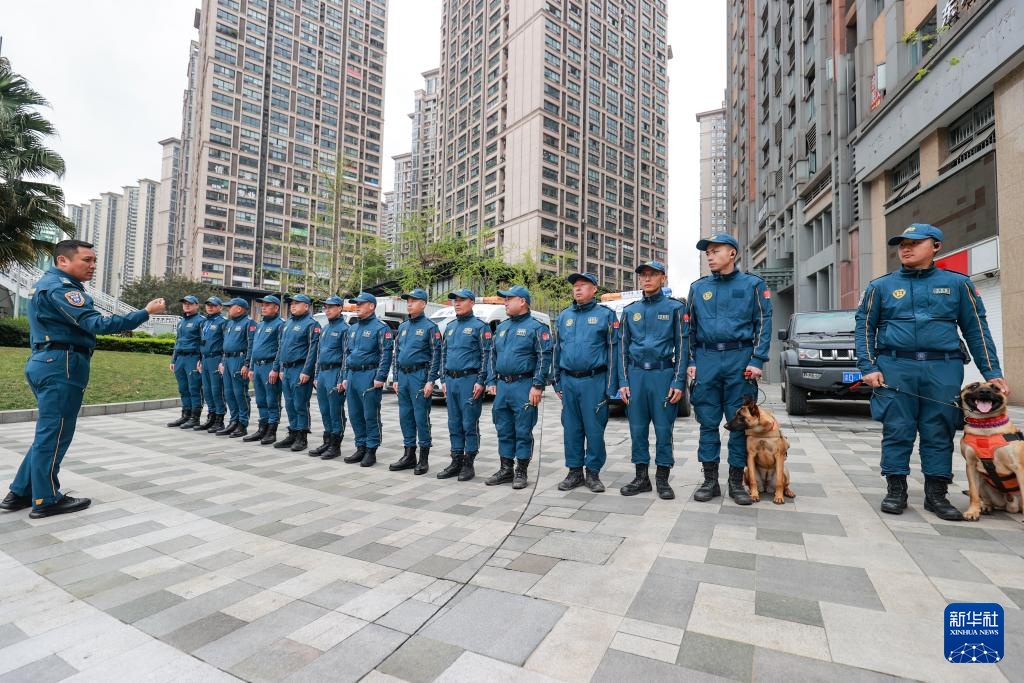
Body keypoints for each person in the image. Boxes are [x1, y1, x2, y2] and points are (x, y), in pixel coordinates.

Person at [0, 240, 165, 518]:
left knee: (49, 432)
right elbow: (97, 324)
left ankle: (21, 491)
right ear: (63, 261)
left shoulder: (51, 285)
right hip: (62, 364)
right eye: (86, 260)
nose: (92, 266)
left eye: (94, 261)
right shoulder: (62, 289)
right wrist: (145, 313)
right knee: (55, 434)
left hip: (49, 361)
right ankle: (46, 499)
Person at [855, 223, 1008, 521]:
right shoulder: (880, 287)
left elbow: (977, 329)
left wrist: (992, 371)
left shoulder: (957, 284)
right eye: (902, 244)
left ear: (935, 246)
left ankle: (936, 494)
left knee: (939, 428)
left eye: (914, 242)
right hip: (895, 367)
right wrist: (868, 367)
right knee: (897, 428)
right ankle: (895, 489)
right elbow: (863, 329)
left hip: (943, 367)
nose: (906, 248)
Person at [687, 234, 772, 506]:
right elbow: (688, 330)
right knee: (707, 423)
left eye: (715, 251)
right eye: (707, 252)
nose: (709, 256)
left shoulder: (753, 285)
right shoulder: (698, 288)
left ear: (732, 253)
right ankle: (710, 480)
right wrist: (691, 362)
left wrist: (757, 360)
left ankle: (736, 482)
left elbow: (763, 322)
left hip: (740, 359)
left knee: (739, 423)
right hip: (707, 359)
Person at [618, 261, 688, 499]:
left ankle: (662, 479)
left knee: (663, 429)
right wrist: (623, 382)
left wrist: (678, 382)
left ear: (663, 278)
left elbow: (682, 346)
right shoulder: (630, 311)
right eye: (643, 276)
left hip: (663, 374)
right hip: (636, 376)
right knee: (637, 429)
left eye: (652, 275)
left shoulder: (675, 309)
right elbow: (622, 350)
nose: (646, 279)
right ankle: (641, 478)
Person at [553, 272, 619, 494]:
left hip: (594, 380)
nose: (577, 289)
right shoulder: (564, 316)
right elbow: (557, 349)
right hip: (569, 380)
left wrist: (611, 386)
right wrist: (557, 382)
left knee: (594, 429)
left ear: (594, 290)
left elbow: (613, 352)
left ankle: (592, 472)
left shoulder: (605, 316)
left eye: (583, 285)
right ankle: (574, 472)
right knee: (571, 429)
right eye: (575, 286)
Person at [485, 285, 553, 489]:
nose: (505, 302)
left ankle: (521, 471)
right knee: (503, 428)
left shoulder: (537, 328)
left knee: (523, 429)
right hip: (503, 387)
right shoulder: (502, 327)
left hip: (524, 386)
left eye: (509, 299)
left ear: (522, 301)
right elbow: (492, 355)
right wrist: (491, 381)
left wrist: (538, 385)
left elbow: (544, 357)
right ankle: (506, 469)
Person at [436, 289, 490, 482]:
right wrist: (442, 379)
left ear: (472, 302)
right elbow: (443, 354)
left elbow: (486, 355)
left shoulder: (480, 327)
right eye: (455, 301)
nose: (456, 303)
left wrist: (481, 380)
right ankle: (456, 460)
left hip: (470, 380)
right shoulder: (450, 327)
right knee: (454, 422)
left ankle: (469, 463)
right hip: (451, 380)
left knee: (469, 423)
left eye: (461, 300)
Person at [389, 289, 442, 475]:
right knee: (405, 417)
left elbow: (436, 355)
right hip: (403, 377)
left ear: (424, 304)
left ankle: (423, 458)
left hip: (420, 376)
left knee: (421, 418)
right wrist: (395, 378)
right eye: (408, 301)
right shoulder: (403, 328)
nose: (409, 304)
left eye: (414, 300)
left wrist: (431, 380)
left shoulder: (430, 327)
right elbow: (397, 355)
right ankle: (408, 454)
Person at [342, 292, 394, 467]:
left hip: (369, 375)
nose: (357, 306)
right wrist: (344, 376)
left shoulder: (381, 328)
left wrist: (380, 377)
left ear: (371, 306)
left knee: (370, 415)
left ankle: (371, 450)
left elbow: (385, 354)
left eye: (361, 304)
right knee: (355, 414)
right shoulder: (353, 328)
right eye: (356, 303)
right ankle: (360, 446)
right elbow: (347, 354)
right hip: (352, 375)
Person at [272, 294, 320, 452]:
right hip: (286, 369)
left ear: (306, 306)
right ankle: (292, 432)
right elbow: (281, 347)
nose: (293, 306)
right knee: (289, 403)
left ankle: (302, 435)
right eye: (291, 303)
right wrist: (279, 367)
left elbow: (313, 350)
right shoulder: (287, 323)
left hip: (300, 369)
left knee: (300, 403)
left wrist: (307, 370)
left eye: (297, 303)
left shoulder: (311, 324)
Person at [309, 295, 349, 460]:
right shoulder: (325, 329)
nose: (327, 310)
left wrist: (341, 378)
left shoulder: (345, 329)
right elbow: (319, 353)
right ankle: (327, 441)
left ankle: (335, 445)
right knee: (325, 410)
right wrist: (317, 374)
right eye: (325, 307)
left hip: (335, 372)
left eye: (331, 307)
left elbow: (347, 355)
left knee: (335, 410)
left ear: (340, 308)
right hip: (323, 373)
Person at [243, 295, 285, 445]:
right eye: (263, 305)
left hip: (269, 366)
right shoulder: (260, 325)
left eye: (268, 305)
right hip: (258, 367)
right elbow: (254, 348)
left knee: (272, 400)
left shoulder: (280, 325)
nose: (264, 307)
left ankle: (271, 431)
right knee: (260, 400)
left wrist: (275, 368)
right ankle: (262, 428)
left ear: (276, 308)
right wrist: (252, 367)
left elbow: (281, 349)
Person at [217, 298, 255, 438]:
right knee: (228, 393)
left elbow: (251, 345)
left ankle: (242, 424)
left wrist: (247, 364)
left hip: (239, 360)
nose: (228, 309)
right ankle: (233, 421)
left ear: (239, 308)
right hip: (227, 360)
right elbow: (225, 344)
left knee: (240, 393)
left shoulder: (249, 323)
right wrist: (222, 361)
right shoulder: (229, 323)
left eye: (230, 307)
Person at [168, 295, 204, 429]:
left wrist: (201, 359)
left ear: (196, 305)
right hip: (180, 359)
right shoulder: (181, 322)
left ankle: (195, 418)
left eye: (190, 303)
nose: (187, 305)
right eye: (184, 303)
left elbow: (203, 342)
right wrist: (174, 359)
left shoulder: (201, 321)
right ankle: (185, 415)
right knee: (183, 388)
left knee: (194, 388)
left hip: (193, 358)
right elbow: (178, 341)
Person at [195, 296, 227, 434]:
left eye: (213, 305)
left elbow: (226, 343)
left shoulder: (223, 322)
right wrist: (200, 358)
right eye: (208, 305)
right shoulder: (204, 322)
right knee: (206, 390)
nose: (210, 307)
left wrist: (223, 361)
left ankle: (219, 420)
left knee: (216, 390)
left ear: (220, 307)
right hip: (205, 359)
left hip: (216, 358)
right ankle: (211, 417)